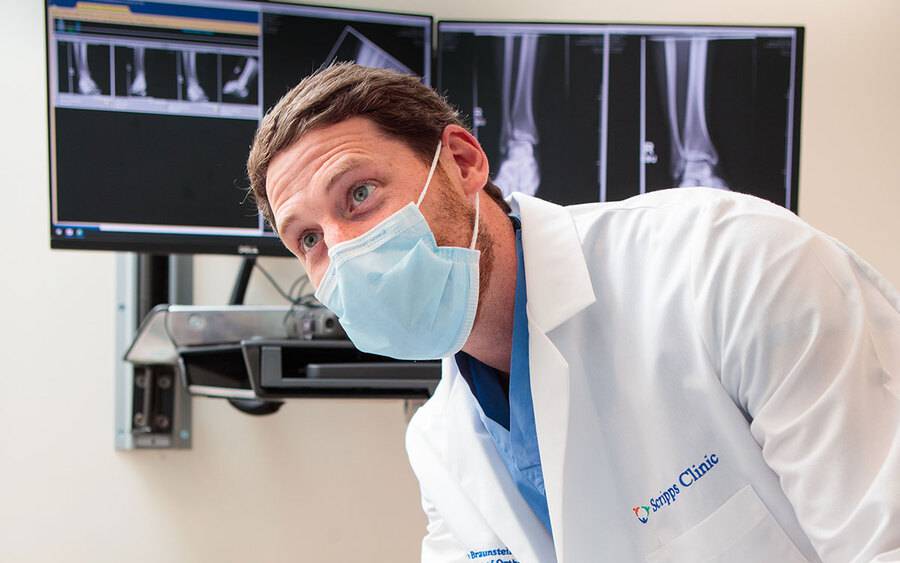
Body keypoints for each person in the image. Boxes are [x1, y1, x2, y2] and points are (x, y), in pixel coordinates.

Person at [246, 63, 900, 562]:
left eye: (358, 194)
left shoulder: (730, 265)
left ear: (463, 162)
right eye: (307, 238)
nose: (343, 249)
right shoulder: (442, 446)